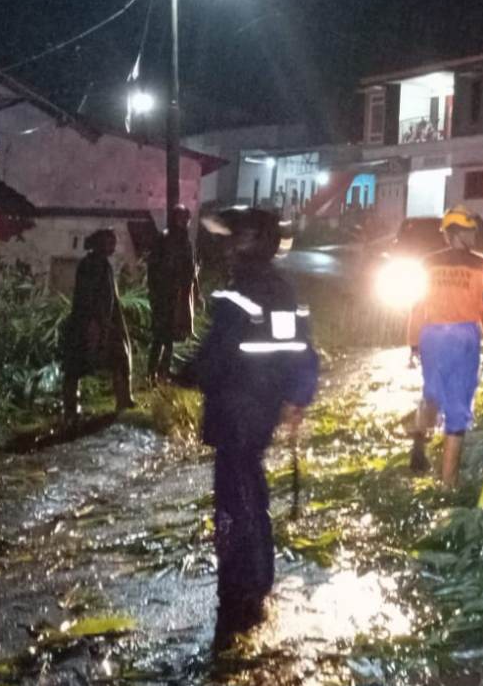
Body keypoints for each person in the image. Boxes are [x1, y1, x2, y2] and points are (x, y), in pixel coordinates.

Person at [173, 207, 319, 650]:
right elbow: (301, 351)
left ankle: (239, 593)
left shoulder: (238, 296)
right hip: (263, 411)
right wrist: (297, 398)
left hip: (234, 410)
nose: (229, 247)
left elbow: (218, 356)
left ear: (251, 243)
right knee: (252, 493)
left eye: (236, 239)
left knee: (234, 504)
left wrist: (183, 375)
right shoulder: (285, 292)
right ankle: (257, 582)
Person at [407, 205, 483, 486]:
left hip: (431, 335)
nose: (473, 236)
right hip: (462, 337)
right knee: (458, 407)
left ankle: (420, 441)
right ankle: (448, 485)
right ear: (462, 233)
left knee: (431, 391)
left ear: (446, 235)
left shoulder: (428, 264)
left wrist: (413, 341)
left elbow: (417, 304)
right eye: (471, 231)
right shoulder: (482, 265)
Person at [60, 228, 134, 423]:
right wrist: (94, 325)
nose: (113, 247)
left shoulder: (103, 265)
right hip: (87, 323)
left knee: (119, 358)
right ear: (101, 244)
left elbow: (110, 297)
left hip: (103, 321)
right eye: (110, 243)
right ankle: (70, 408)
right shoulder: (91, 265)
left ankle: (123, 399)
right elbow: (87, 297)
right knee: (75, 366)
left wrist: (114, 320)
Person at [147, 205, 199, 382]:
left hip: (178, 295)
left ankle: (163, 371)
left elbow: (190, 268)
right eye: (182, 218)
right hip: (164, 294)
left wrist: (192, 291)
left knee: (170, 336)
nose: (184, 222)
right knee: (160, 336)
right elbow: (154, 267)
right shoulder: (165, 239)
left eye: (186, 219)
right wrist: (156, 291)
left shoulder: (185, 241)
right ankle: (152, 372)